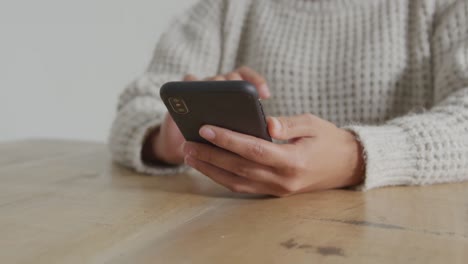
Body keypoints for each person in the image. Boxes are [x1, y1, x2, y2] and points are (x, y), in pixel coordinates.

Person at [109, 0, 468, 197]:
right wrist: (164, 139)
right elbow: (135, 106)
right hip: (240, 237)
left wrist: (356, 156)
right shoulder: (224, 9)